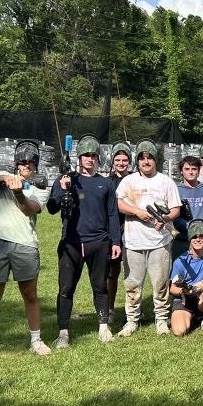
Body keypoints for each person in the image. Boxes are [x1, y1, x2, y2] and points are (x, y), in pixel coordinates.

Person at [0, 140, 53, 361]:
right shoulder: (5, 175)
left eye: (30, 163)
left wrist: (18, 193)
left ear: (36, 164)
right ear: (17, 163)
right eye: (23, 162)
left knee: (30, 295)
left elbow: (30, 209)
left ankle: (36, 340)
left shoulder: (40, 185)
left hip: (25, 245)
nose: (26, 166)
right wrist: (4, 178)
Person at [46, 134, 122, 347]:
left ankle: (103, 326)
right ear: (79, 158)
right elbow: (52, 208)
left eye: (93, 155)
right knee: (66, 288)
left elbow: (112, 214)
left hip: (99, 242)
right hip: (71, 243)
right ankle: (63, 332)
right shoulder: (67, 179)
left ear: (98, 158)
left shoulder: (105, 183)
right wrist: (62, 189)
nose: (89, 159)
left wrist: (115, 241)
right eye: (85, 155)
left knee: (100, 286)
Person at [115, 139, 181, 337]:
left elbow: (176, 209)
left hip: (160, 242)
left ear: (155, 160)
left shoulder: (166, 182)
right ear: (138, 161)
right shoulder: (128, 181)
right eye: (142, 158)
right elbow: (119, 204)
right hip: (133, 241)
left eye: (150, 158)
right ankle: (132, 320)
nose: (146, 161)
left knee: (160, 283)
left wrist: (165, 219)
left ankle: (161, 319)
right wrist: (137, 212)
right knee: (132, 284)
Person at [106, 141, 133, 328]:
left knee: (131, 274)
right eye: (118, 160)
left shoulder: (135, 180)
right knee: (111, 273)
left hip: (132, 231)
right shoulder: (107, 182)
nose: (121, 163)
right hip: (113, 232)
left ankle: (131, 309)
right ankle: (109, 309)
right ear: (113, 161)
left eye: (124, 160)